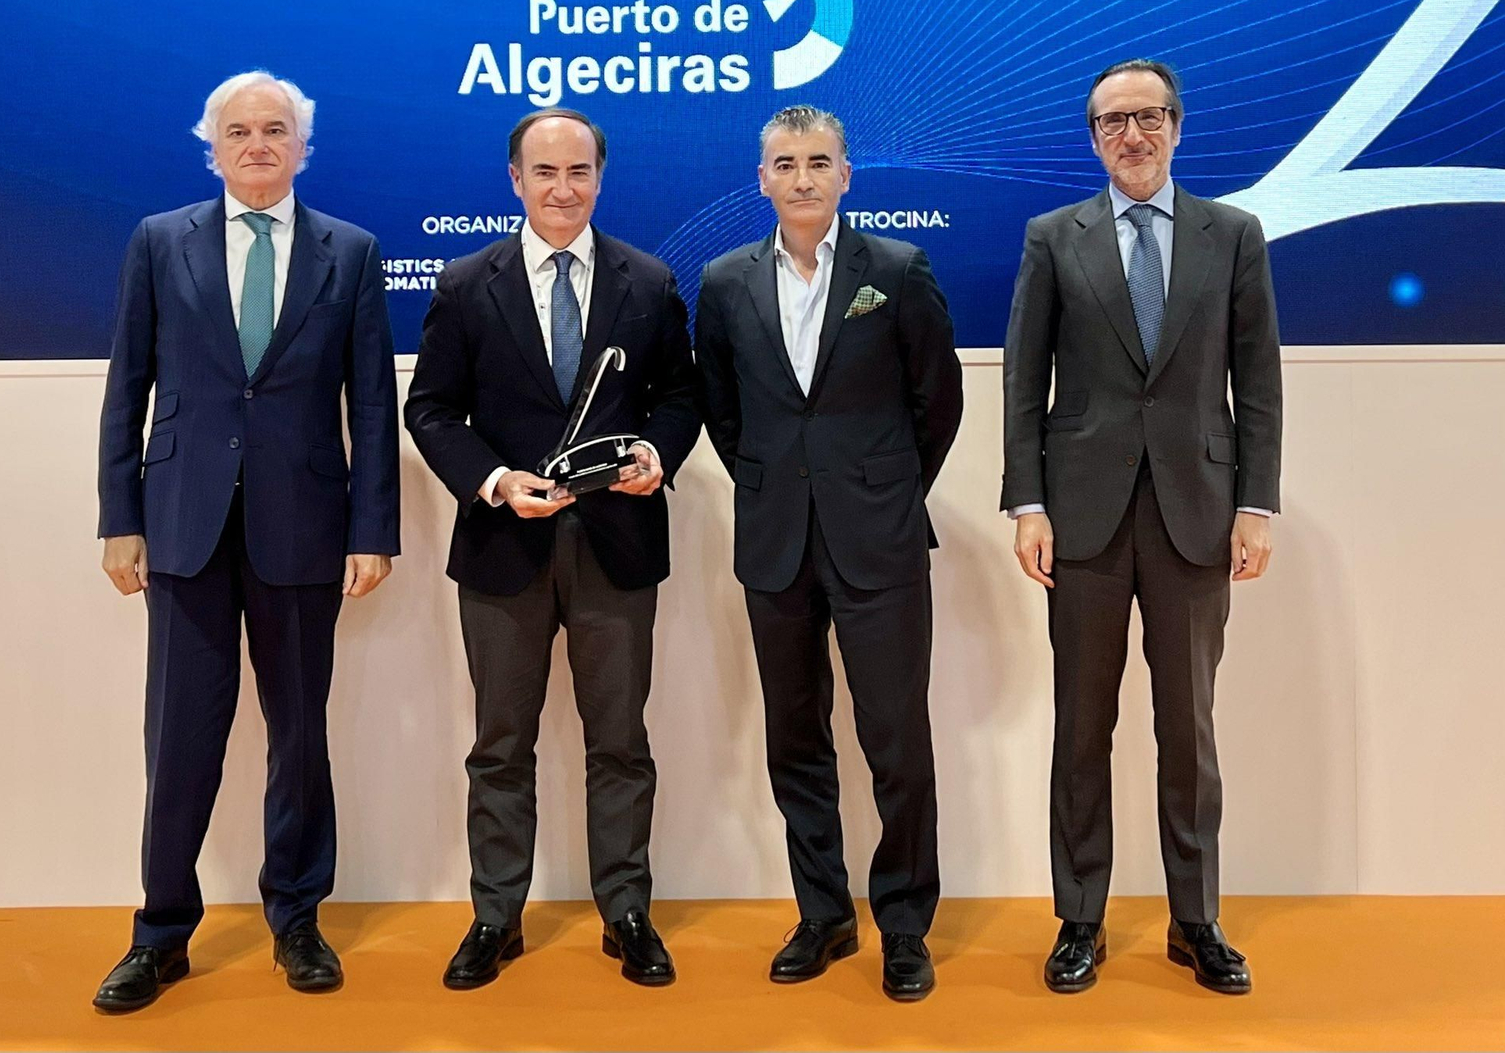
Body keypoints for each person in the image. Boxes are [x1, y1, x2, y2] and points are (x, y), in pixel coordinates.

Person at [92, 71, 400, 1011]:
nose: (257, 144)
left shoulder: (349, 251)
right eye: (239, 131)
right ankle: (160, 933)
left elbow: (372, 408)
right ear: (212, 145)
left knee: (299, 736)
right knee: (180, 738)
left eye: (276, 130)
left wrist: (372, 529)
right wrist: (119, 516)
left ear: (303, 147)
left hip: (304, 527)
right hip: (183, 526)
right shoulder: (159, 240)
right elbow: (127, 386)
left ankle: (296, 920)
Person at [1001, 58, 1282, 995]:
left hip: (1198, 518)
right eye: (1113, 120)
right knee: (1082, 725)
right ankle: (1079, 918)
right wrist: (1026, 503)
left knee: (1188, 729)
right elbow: (1021, 379)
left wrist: (1257, 502)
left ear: (1177, 125)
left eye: (1149, 116)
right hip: (1079, 520)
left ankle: (1194, 919)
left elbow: (1260, 382)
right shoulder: (1053, 237)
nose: (1133, 134)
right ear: (1092, 137)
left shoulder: (1233, 235)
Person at [404, 108, 699, 989]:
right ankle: (496, 915)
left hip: (617, 545)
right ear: (515, 181)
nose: (563, 190)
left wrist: (655, 454)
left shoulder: (647, 281)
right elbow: (430, 411)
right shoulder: (465, 284)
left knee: (621, 742)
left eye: (578, 173)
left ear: (599, 179)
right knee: (500, 745)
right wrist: (494, 481)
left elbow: (680, 399)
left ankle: (628, 913)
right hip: (503, 548)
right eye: (545, 173)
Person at [694, 105, 963, 1001]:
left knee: (896, 738)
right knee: (794, 738)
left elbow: (939, 402)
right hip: (776, 548)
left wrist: (881, 491)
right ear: (761, 178)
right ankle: (822, 913)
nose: (802, 177)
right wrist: (778, 486)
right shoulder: (726, 282)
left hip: (878, 542)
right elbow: (724, 415)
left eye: (819, 161)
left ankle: (905, 924)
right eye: (784, 162)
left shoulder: (896, 270)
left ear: (847, 174)